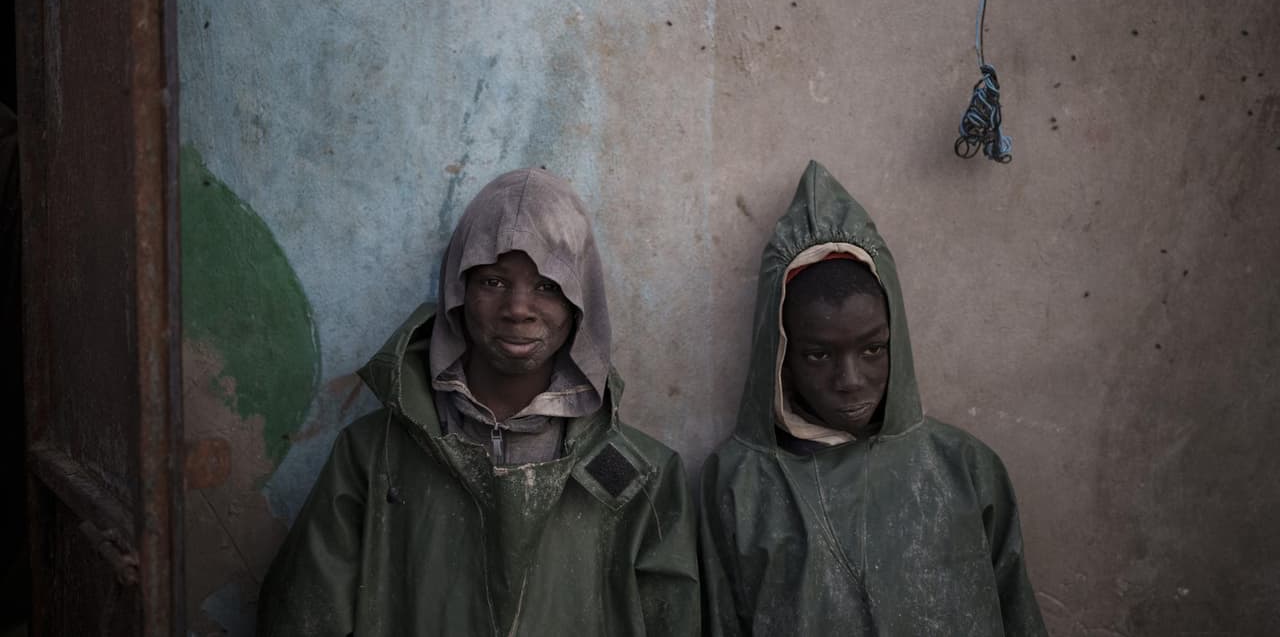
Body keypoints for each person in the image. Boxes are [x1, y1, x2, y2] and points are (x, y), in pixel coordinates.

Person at [258, 168, 700, 636]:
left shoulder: (637, 476)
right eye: (492, 281)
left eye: (548, 285)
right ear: (457, 292)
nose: (518, 308)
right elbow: (304, 617)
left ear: (580, 304)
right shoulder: (374, 457)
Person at [699, 161, 1046, 636]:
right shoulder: (740, 483)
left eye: (872, 349)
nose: (850, 380)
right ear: (780, 356)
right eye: (818, 355)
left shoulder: (965, 467)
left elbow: (1016, 611)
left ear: (894, 340)